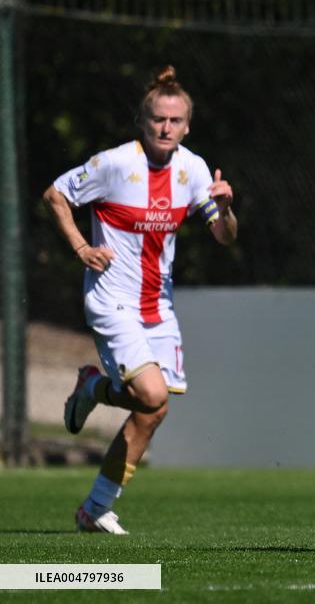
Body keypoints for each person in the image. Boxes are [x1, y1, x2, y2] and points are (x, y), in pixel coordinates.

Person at [44, 66, 237, 534]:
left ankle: (95, 507)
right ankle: (93, 390)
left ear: (187, 126)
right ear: (142, 120)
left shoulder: (192, 169)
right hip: (112, 300)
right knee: (150, 394)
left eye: (175, 121)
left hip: (158, 307)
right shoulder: (113, 165)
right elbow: (55, 195)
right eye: (157, 119)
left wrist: (226, 208)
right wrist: (80, 247)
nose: (165, 128)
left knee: (154, 409)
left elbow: (223, 236)